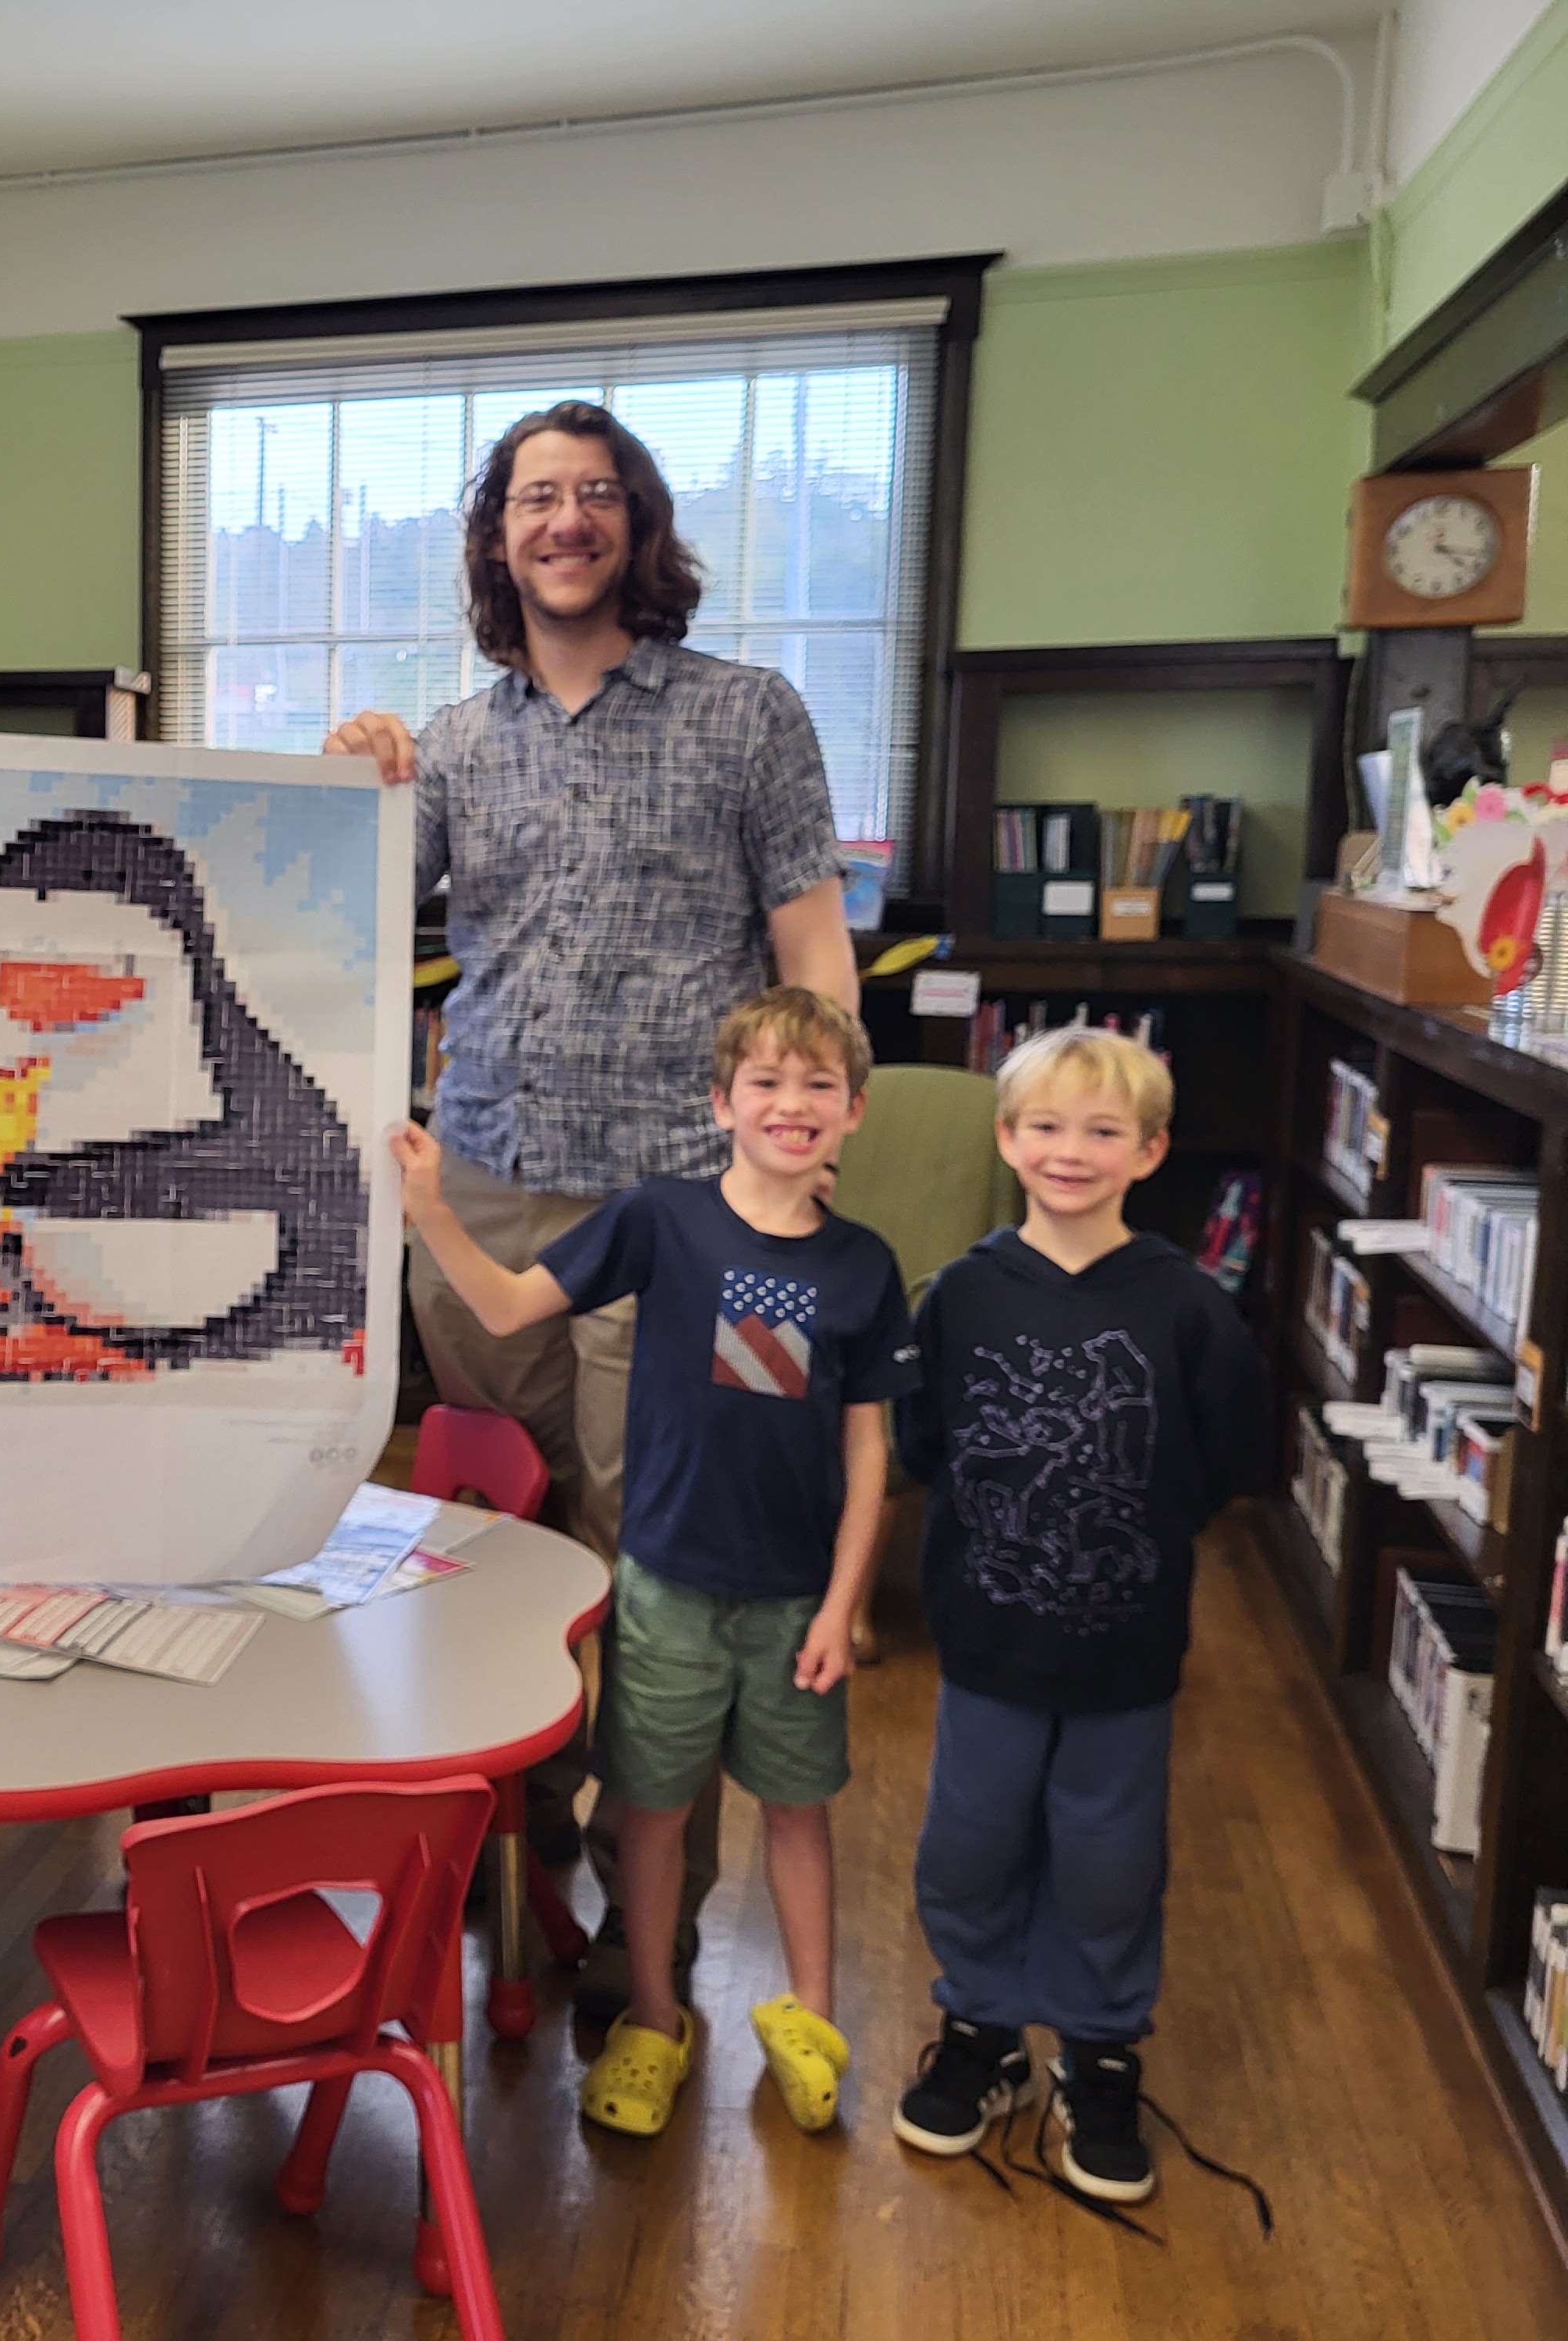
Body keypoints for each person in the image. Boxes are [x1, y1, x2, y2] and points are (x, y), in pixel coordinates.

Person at [328, 398, 860, 2021]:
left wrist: (810, 1145)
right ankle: (522, 1858)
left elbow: (810, 942)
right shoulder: (452, 744)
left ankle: (651, 1945)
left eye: (595, 494)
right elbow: (336, 916)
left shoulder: (745, 715)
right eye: (532, 499)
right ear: (496, 542)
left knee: (670, 1575)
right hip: (483, 1197)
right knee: (500, 1540)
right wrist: (345, 780)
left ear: (637, 526)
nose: (564, 520)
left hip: (695, 1212)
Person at [393, 987, 911, 2137]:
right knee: (654, 1811)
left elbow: (868, 1450)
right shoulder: (659, 1218)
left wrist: (845, 1606)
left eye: (819, 1085)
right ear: (719, 1103)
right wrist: (429, 1211)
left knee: (799, 1812)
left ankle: (815, 2020)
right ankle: (654, 2020)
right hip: (668, 1589)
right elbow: (509, 1307)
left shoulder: (865, 1268)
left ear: (854, 1111)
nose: (792, 1104)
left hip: (796, 1607)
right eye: (766, 1082)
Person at [890, 1027, 1267, 2208]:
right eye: (1046, 1126)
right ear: (1007, 1140)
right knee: (970, 1841)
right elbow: (924, 1444)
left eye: (1104, 1131)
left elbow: (1226, 1459)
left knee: (1111, 1857)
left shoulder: (1188, 1306)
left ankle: (1099, 2052)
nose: (1071, 1150)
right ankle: (983, 2029)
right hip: (987, 1642)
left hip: (1125, 1650)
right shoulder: (959, 1295)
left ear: (1149, 1152)